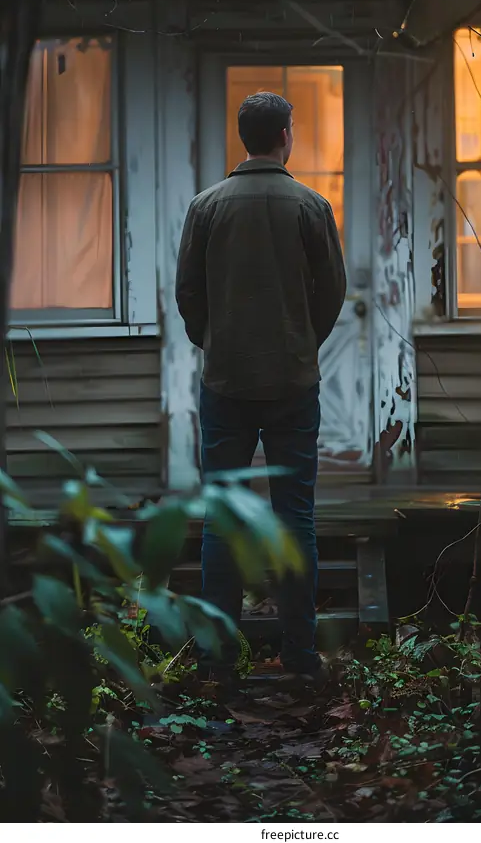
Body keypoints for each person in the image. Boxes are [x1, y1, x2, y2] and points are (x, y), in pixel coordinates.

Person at [175, 91, 346, 687]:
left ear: (245, 137)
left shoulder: (206, 207)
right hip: (293, 382)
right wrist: (301, 341)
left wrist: (216, 342)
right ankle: (299, 653)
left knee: (221, 519)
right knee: (295, 515)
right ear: (285, 136)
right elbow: (331, 293)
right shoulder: (311, 206)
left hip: (225, 382)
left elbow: (187, 294)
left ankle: (218, 658)